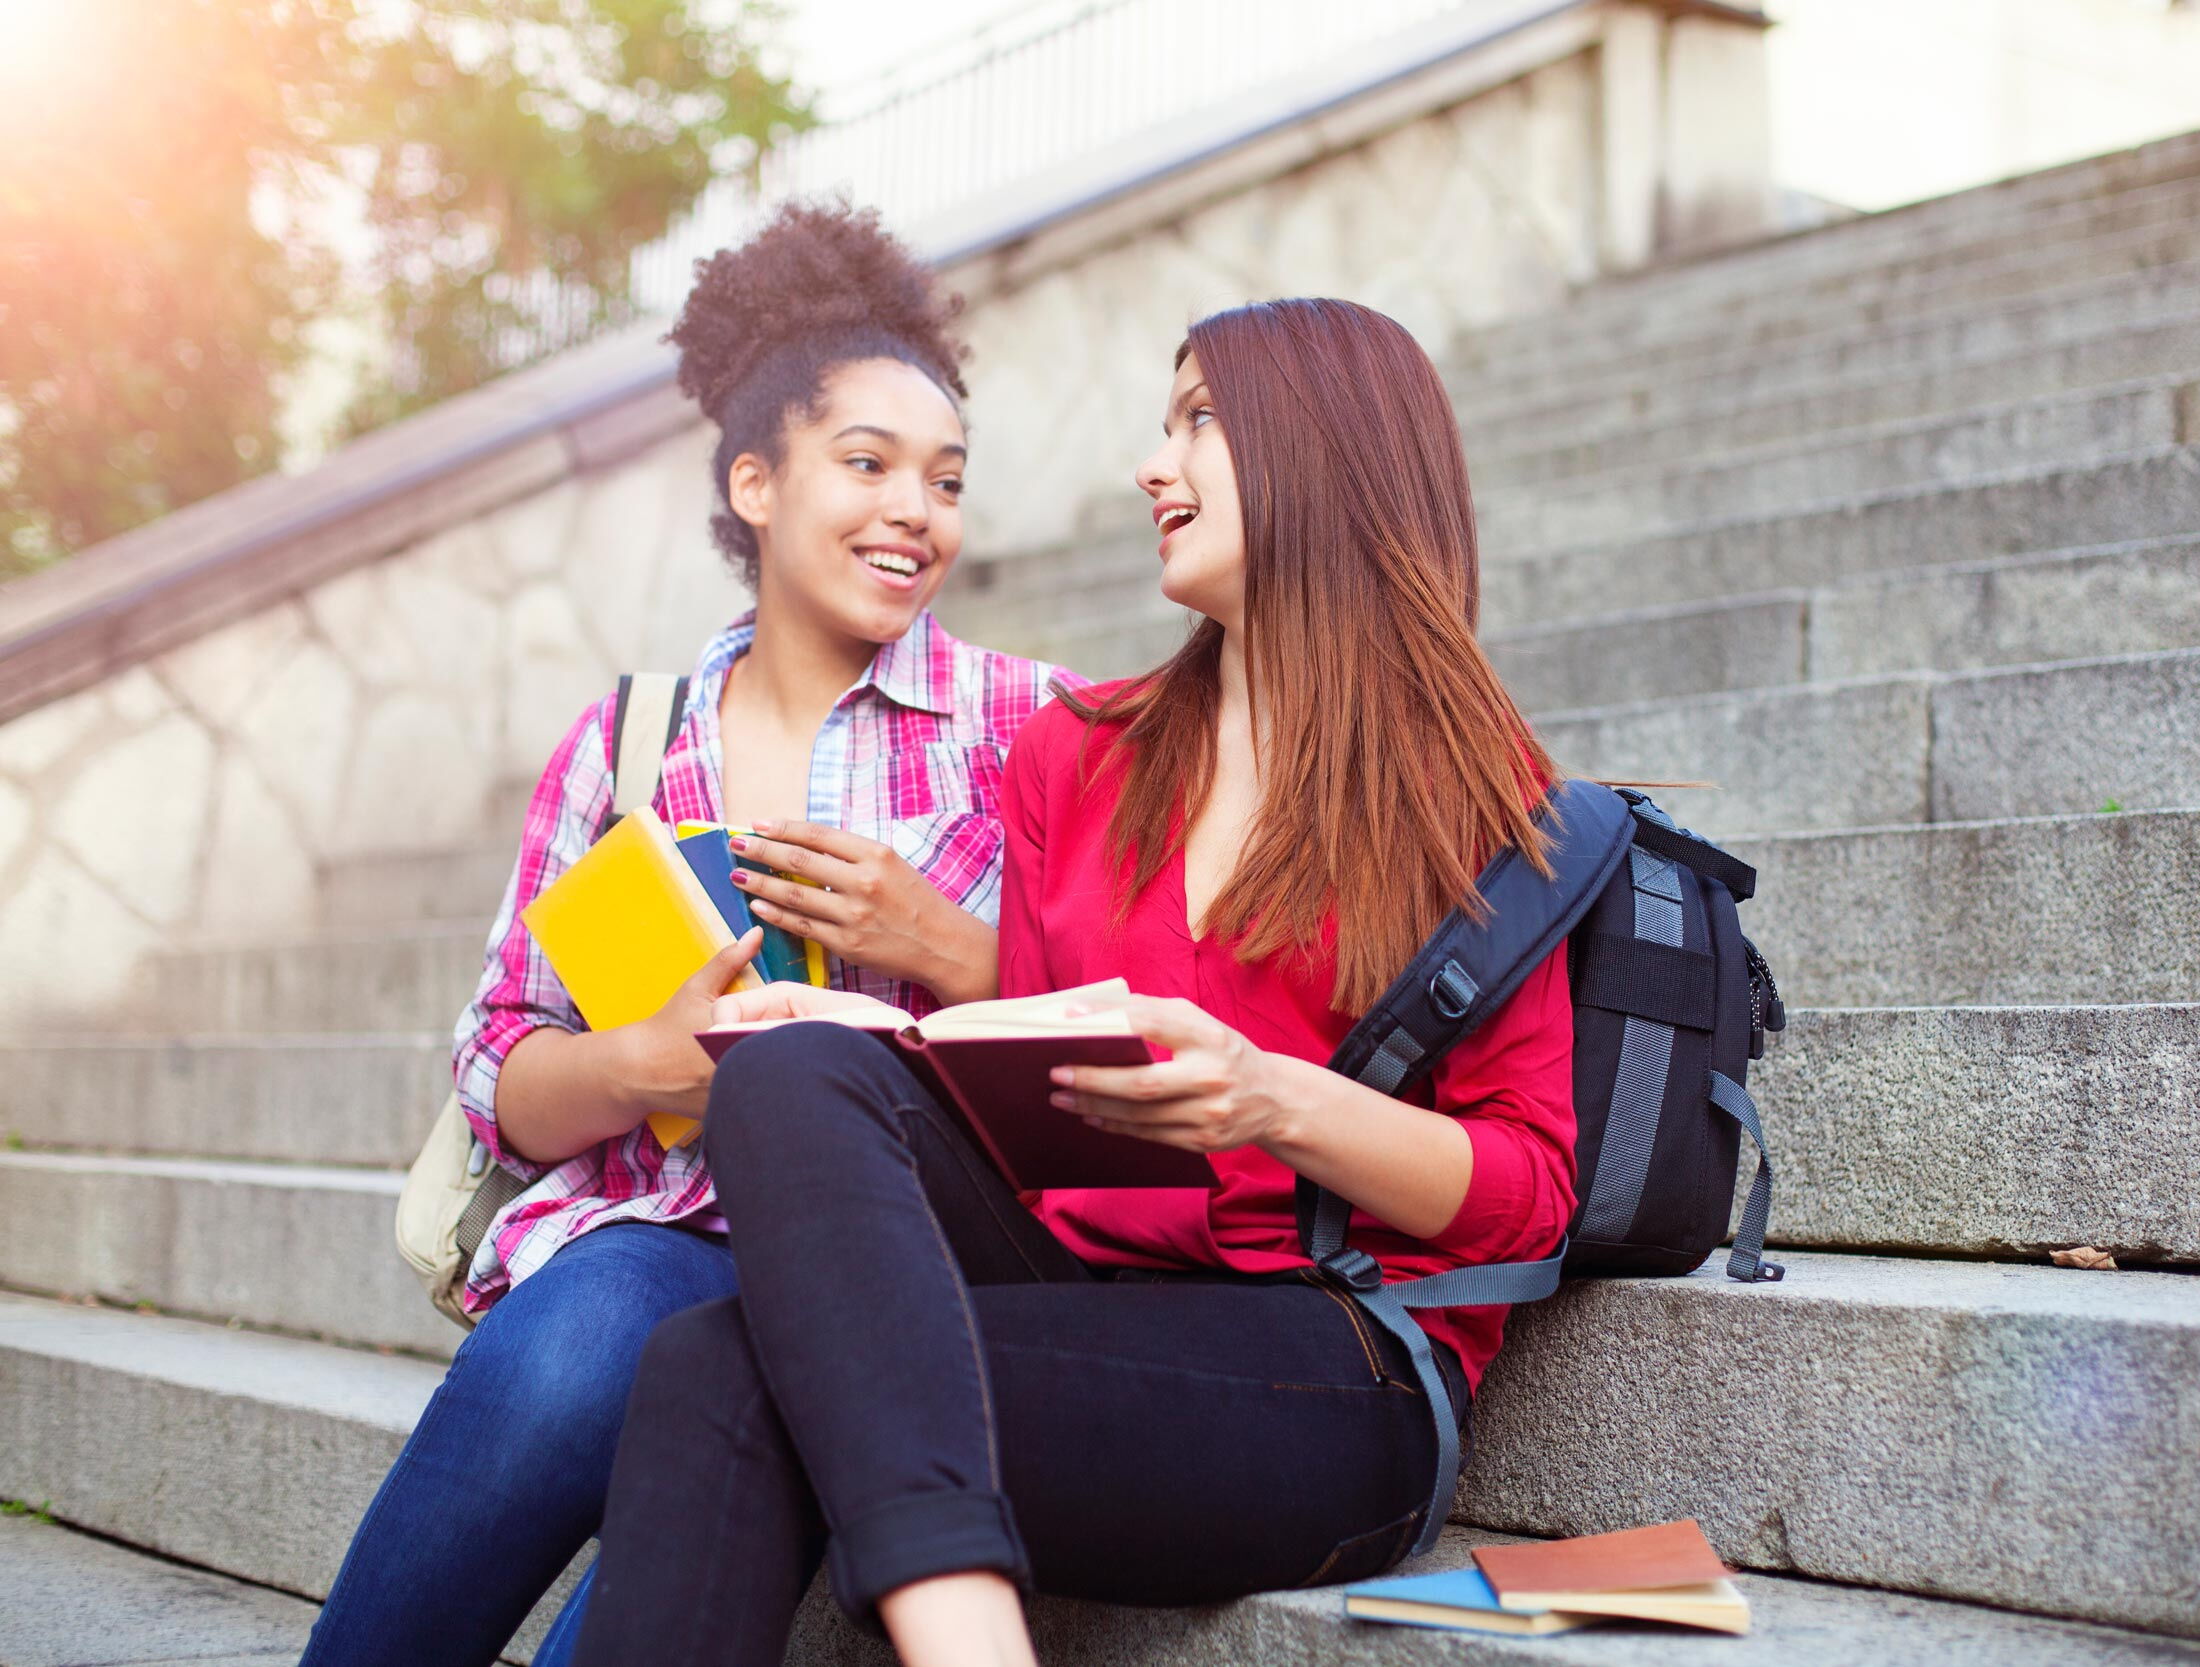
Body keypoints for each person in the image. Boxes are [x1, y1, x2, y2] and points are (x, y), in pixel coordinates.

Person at [570, 297, 1581, 1667]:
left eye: (1201, 423)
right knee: (789, 1082)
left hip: (1335, 1349)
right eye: (1164, 428)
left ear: (1327, 447)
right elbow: (1024, 1108)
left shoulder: (1469, 789)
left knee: (727, 1370)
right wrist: (868, 1039)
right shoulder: (1082, 752)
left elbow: (1528, 1192)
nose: (1154, 468)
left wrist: (1270, 1100)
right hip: (1082, 1273)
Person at [298, 203, 1073, 1667]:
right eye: (869, 464)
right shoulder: (632, 745)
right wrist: (645, 1068)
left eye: (948, 479)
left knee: (712, 1365)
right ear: (757, 483)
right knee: (616, 1316)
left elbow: (1137, 1006)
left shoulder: (1031, 727)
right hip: (658, 1244)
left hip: (914, 1256)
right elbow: (501, 1068)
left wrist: (950, 948)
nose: (918, 510)